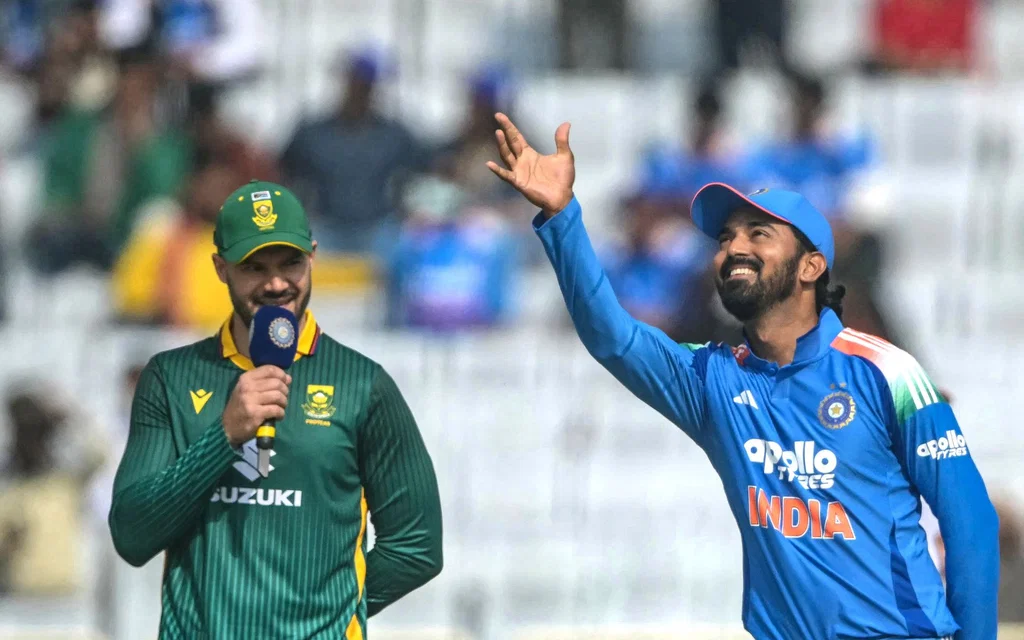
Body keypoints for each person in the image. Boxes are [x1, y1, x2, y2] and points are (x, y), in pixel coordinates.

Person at [486, 113, 998, 640]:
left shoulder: (888, 372)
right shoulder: (714, 381)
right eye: (726, 236)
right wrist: (562, 215)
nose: (734, 247)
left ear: (811, 266)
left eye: (759, 233)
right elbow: (614, 339)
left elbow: (971, 524)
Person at [108, 180, 443, 637]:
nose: (276, 283)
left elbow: (417, 545)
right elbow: (132, 536)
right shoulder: (171, 377)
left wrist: (326, 617)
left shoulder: (363, 383)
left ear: (314, 256)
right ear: (220, 267)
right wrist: (223, 436)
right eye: (254, 267)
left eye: (291, 263)